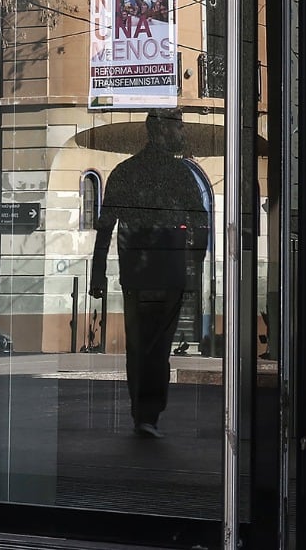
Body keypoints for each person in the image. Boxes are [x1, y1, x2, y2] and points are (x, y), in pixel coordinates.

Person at [89, 107, 210, 439]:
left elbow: (105, 227)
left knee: (139, 345)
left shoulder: (125, 171)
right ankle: (149, 413)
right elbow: (201, 222)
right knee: (158, 346)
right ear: (161, 131)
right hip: (168, 272)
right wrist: (194, 263)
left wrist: (98, 273)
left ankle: (141, 412)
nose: (183, 134)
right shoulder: (179, 173)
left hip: (136, 275)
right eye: (179, 128)